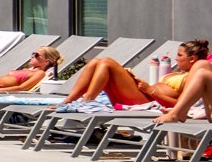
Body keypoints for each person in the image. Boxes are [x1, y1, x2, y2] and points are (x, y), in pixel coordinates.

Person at [50, 39, 207, 113]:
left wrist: (150, 90)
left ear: (192, 59)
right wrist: (140, 83)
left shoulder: (193, 78)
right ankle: (69, 101)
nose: (176, 58)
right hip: (141, 94)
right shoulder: (179, 73)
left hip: (147, 99)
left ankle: (86, 101)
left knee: (106, 62)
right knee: (96, 62)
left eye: (179, 55)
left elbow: (182, 104)